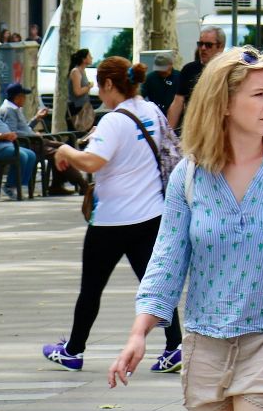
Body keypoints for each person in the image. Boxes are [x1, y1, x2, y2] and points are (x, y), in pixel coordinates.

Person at [108, 46, 263, 411]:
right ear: (224, 103)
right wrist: (138, 334)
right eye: (259, 95)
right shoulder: (190, 175)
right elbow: (167, 259)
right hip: (205, 348)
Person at [43, 58, 184, 372]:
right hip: (151, 216)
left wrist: (64, 151)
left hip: (112, 221)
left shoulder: (113, 120)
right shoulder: (151, 110)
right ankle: (174, 346)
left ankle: (74, 350)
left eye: (99, 86)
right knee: (155, 284)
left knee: (92, 288)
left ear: (109, 84)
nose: (98, 92)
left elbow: (92, 162)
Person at [169, 27, 226, 131]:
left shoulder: (227, 71)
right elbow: (178, 102)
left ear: (221, 47)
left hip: (219, 129)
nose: (203, 48)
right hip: (193, 130)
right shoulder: (189, 70)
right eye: (200, 44)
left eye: (208, 45)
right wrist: (169, 134)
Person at [67, 48, 97, 133]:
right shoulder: (76, 71)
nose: (92, 58)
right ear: (84, 59)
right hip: (76, 108)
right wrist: (89, 86)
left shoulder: (83, 71)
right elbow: (77, 91)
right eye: (89, 56)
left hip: (84, 106)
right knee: (78, 133)